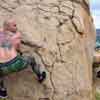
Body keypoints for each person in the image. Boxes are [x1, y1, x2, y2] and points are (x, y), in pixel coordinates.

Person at [0, 18, 46, 99]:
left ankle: (2, 91)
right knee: (31, 59)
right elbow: (17, 48)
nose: (16, 27)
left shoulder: (1, 31)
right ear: (8, 27)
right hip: (16, 63)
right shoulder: (16, 36)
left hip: (2, 67)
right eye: (14, 25)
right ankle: (40, 76)